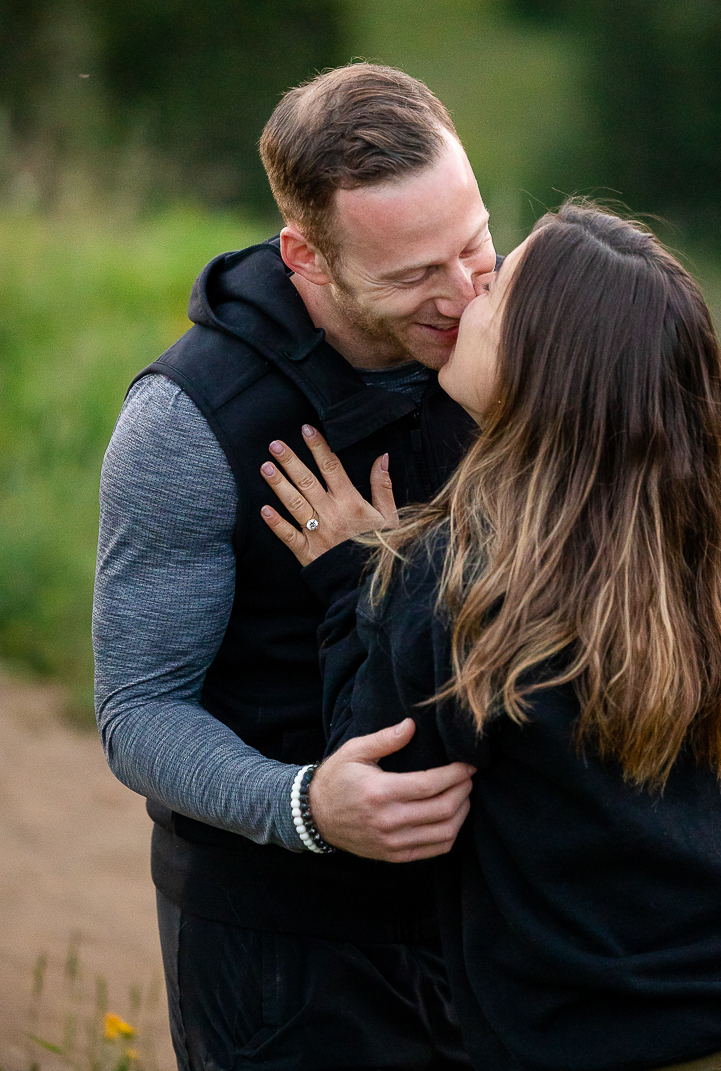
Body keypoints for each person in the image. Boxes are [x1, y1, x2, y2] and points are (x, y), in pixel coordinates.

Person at [258, 203, 721, 1071]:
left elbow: (389, 800)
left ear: (540, 366)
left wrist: (353, 578)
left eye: (499, 288)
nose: (471, 290)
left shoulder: (455, 580)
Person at [93, 63, 498, 1070]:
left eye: (475, 240)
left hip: (498, 921)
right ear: (306, 257)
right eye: (413, 275)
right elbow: (138, 705)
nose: (462, 294)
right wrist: (305, 805)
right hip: (281, 947)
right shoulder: (187, 425)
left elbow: (656, 478)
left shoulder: (510, 333)